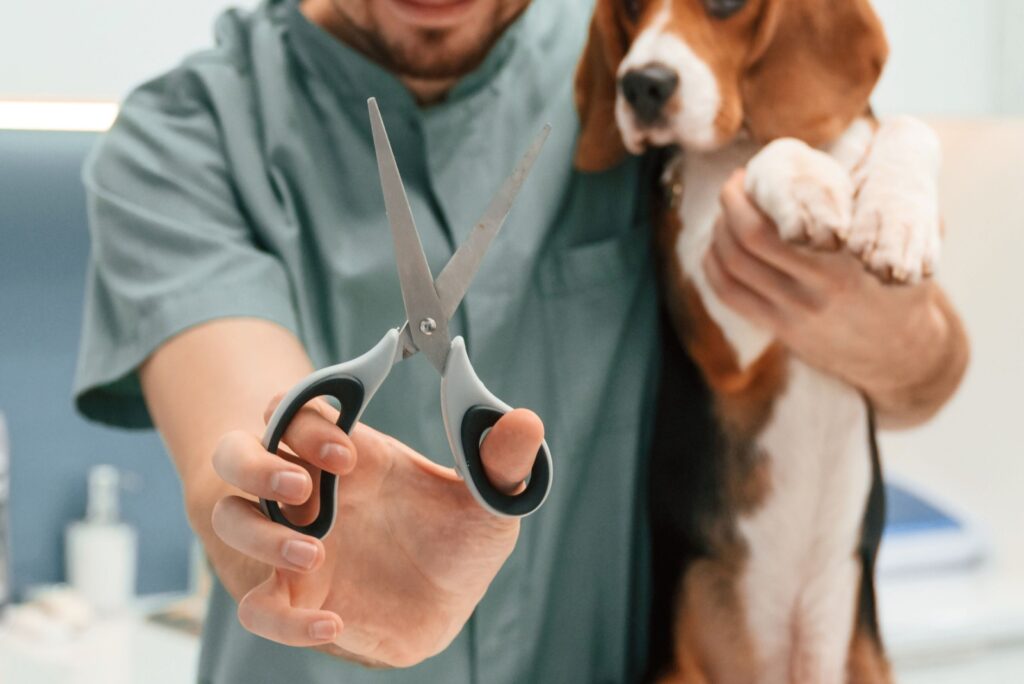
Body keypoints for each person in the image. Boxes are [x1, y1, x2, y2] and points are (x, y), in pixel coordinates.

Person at [73, 0, 968, 682]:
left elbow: (927, 379)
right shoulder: (181, 140)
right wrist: (286, 519)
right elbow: (233, 426)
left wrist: (878, 325)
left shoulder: (634, 57)